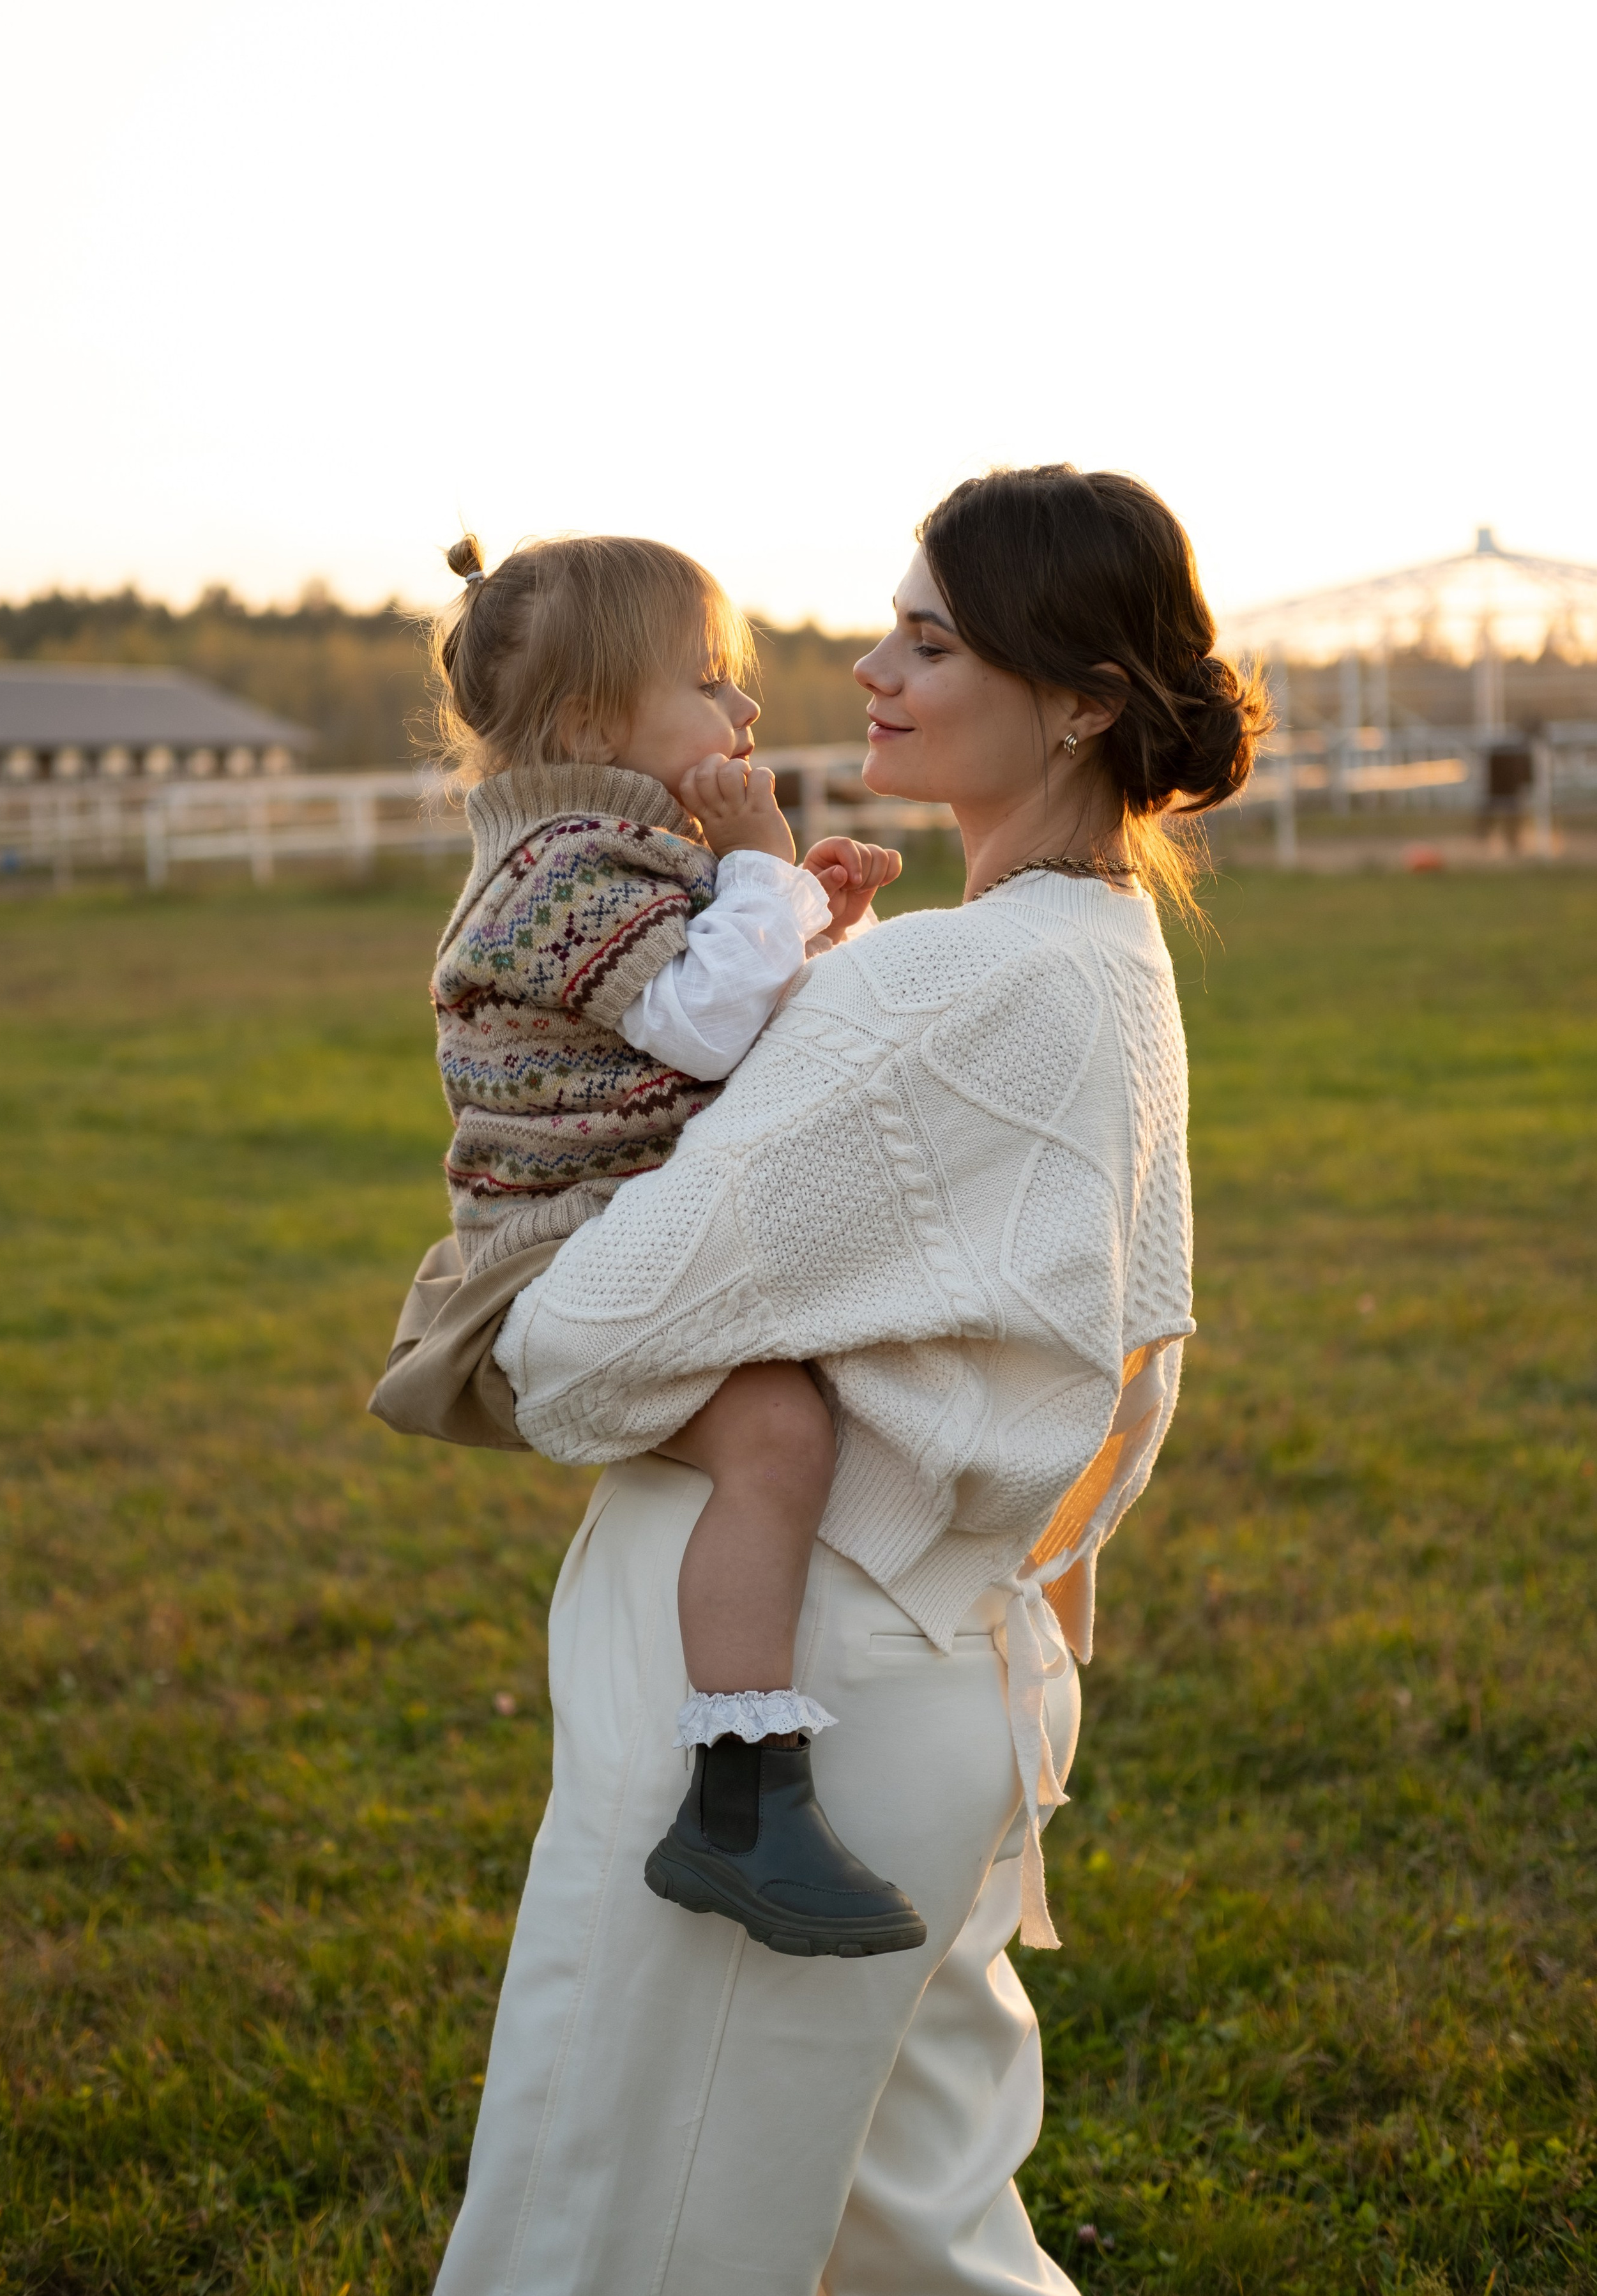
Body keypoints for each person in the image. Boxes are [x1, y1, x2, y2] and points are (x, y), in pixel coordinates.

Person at [429, 466, 1270, 2296]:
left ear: (1082, 701)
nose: (871, 670)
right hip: (944, 1667)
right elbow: (1124, 1350)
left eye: (931, 641)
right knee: (921, 2245)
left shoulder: (940, 987)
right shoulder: (1102, 952)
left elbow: (577, 1347)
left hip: (788, 1680)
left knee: (618, 2234)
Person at [426, 529, 922, 1955]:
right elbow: (703, 1028)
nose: (744, 709)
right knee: (777, 1433)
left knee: (801, 1408)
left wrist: (810, 917)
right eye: (709, 681)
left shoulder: (623, 855)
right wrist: (760, 868)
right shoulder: (555, 871)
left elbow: (724, 1016)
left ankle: (762, 1780)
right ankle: (740, 1799)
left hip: (633, 1225)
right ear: (592, 725)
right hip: (558, 1256)